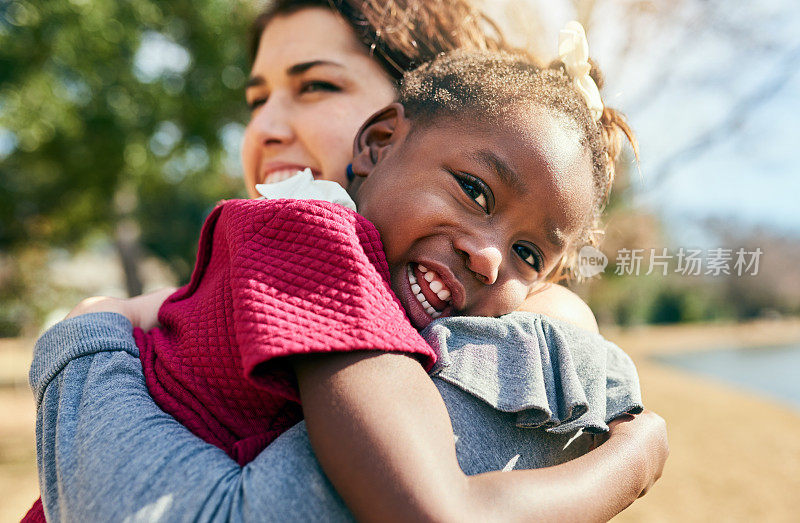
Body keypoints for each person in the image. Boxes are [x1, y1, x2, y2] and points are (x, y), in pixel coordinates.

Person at [24, 3, 668, 522]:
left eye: (316, 85)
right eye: (256, 98)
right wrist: (634, 459)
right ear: (380, 141)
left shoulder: (377, 269)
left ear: (386, 125)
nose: (490, 254)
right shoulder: (313, 245)